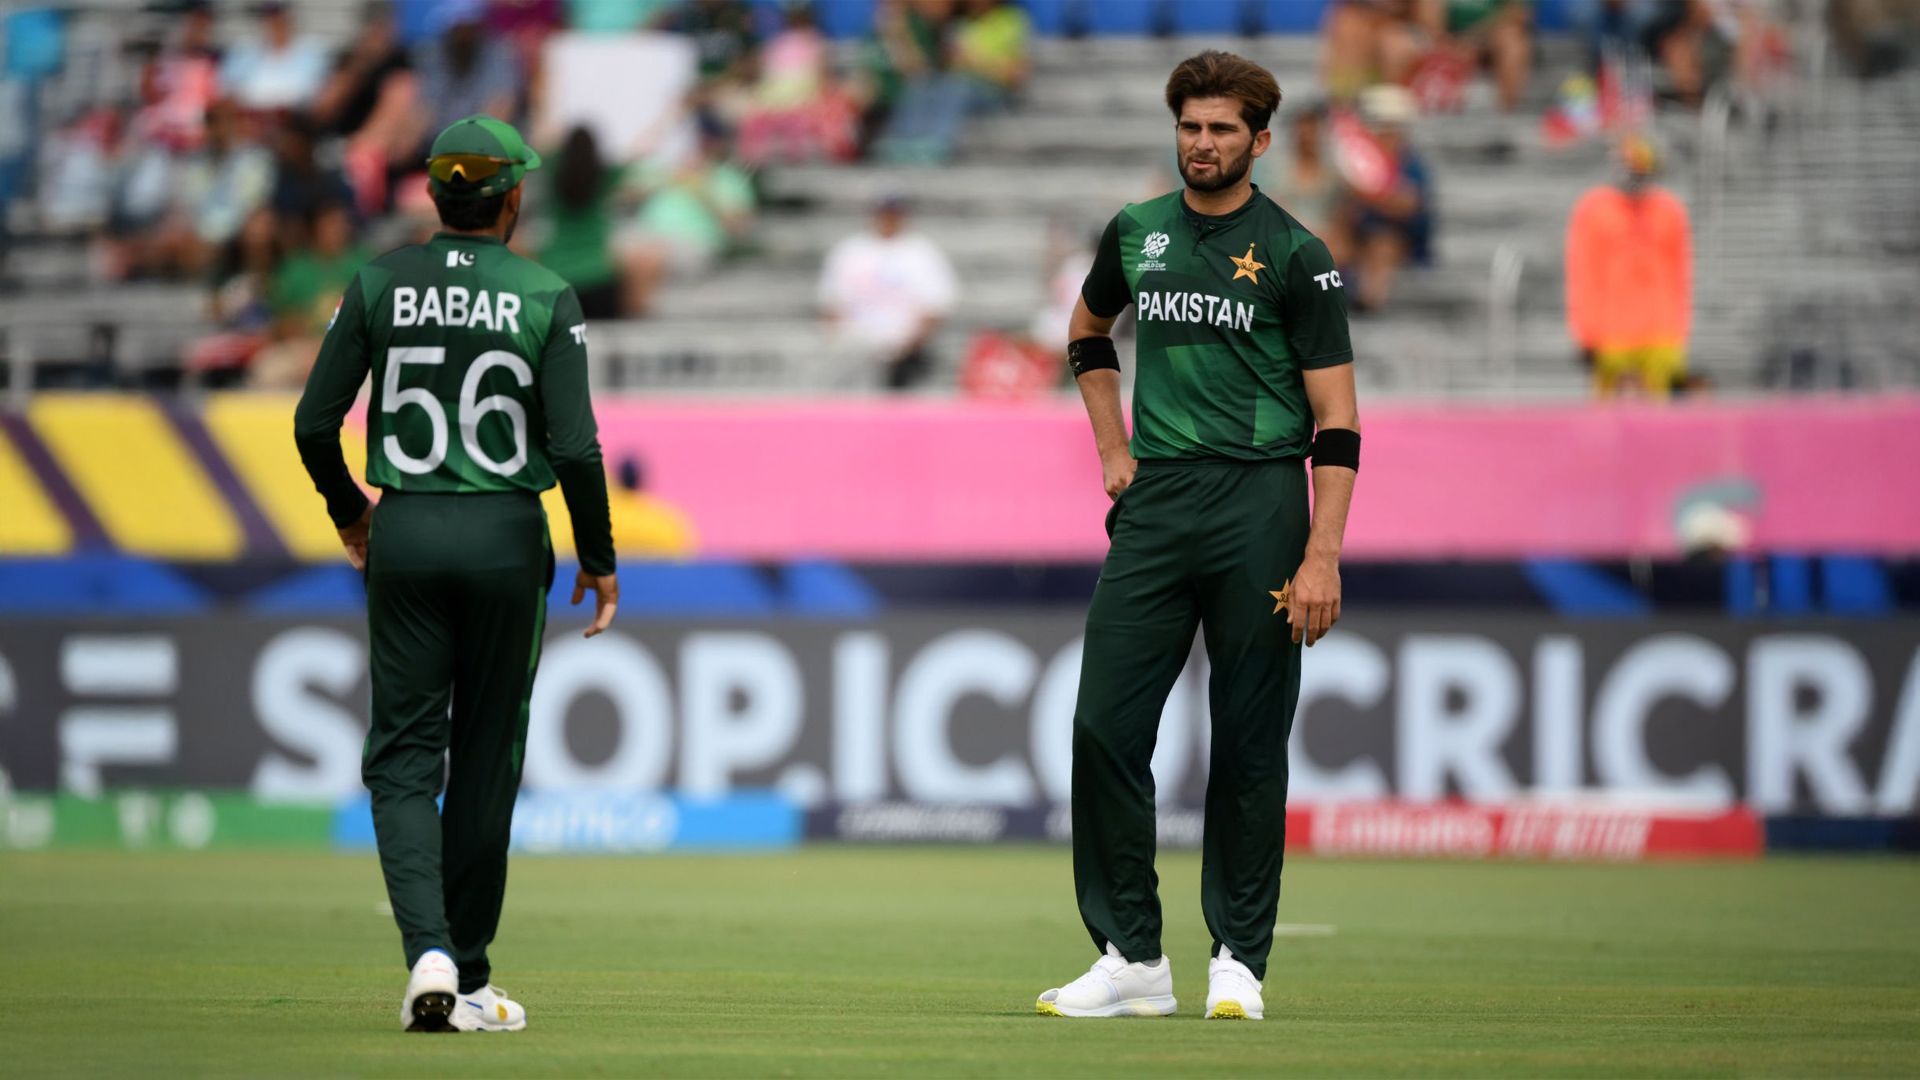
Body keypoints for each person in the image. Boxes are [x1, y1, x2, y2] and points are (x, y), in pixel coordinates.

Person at [1038, 50, 1359, 1022]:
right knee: (1102, 727)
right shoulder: (1136, 233)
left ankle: (1238, 962)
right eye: (1190, 126)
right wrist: (1112, 447)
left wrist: (1322, 553)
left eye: (1222, 129)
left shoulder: (1298, 255)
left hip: (1262, 504)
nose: (1203, 143)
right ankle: (1133, 957)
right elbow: (1087, 334)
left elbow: (1339, 422)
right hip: (1157, 500)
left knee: (1250, 742)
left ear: (1260, 141)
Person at [292, 115, 618, 1033]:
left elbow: (313, 425)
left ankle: (428, 956)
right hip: (507, 537)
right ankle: (468, 978)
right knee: (484, 756)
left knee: (402, 756)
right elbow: (576, 448)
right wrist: (598, 558)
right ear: (514, 199)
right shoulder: (546, 294)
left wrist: (351, 513)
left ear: (437, 195)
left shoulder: (377, 282)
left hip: (405, 531)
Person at [1565, 134, 1691, 398]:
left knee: (1659, 415)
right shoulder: (1594, 209)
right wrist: (1585, 331)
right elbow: (1583, 273)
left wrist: (1679, 327)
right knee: (1609, 416)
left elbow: (1680, 273)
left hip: (1660, 329)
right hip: (1612, 332)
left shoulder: (1670, 210)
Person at [817, 195, 958, 388]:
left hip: (906, 349)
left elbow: (935, 308)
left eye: (893, 214)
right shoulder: (850, 250)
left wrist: (905, 348)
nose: (888, 219)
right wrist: (844, 342)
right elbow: (831, 305)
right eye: (884, 213)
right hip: (855, 348)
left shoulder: (922, 253)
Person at [219, 2, 330, 114]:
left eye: (279, 19)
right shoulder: (244, 51)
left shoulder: (311, 52)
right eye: (269, 20)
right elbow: (228, 91)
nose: (274, 25)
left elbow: (318, 96)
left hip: (296, 117)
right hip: (250, 116)